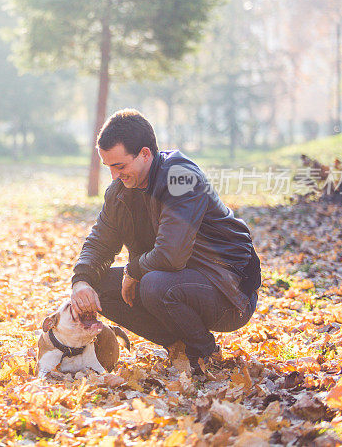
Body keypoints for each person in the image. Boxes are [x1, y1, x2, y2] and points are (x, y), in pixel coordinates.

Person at [70, 109, 261, 374]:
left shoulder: (181, 178)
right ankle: (179, 346)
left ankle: (203, 353)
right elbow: (100, 242)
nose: (114, 176)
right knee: (98, 286)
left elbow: (171, 255)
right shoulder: (120, 192)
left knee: (153, 284)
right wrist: (81, 281)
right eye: (109, 167)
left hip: (228, 293)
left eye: (120, 166)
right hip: (178, 283)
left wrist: (132, 270)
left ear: (145, 154)